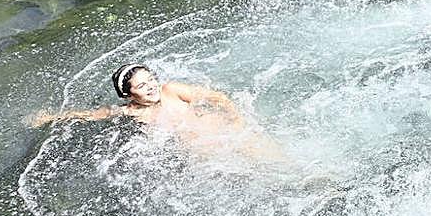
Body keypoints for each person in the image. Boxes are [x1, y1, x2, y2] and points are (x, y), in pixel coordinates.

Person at [28, 63, 282, 161]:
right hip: (206, 156)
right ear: (129, 94)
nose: (151, 86)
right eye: (141, 85)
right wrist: (50, 118)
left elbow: (218, 97)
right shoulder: (132, 114)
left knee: (280, 163)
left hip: (230, 134)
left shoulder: (171, 90)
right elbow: (94, 114)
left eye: (150, 79)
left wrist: (237, 121)